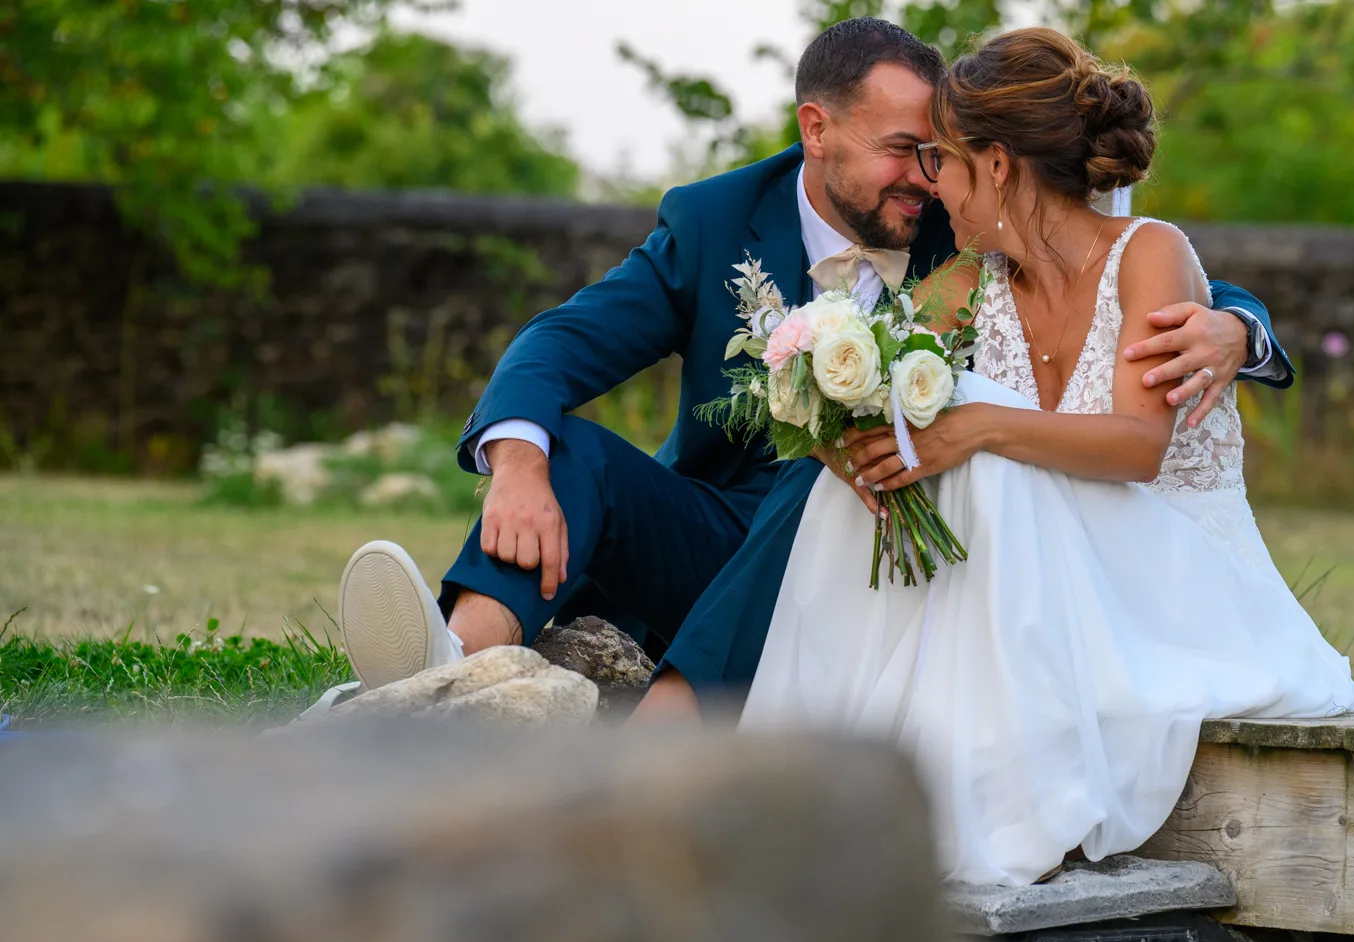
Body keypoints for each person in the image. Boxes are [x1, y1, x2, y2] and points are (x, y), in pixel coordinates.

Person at [330, 18, 1296, 723]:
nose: (925, 177)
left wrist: (1236, 330)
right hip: (715, 551)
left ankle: (666, 739)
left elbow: (1117, 272)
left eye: (939, 154)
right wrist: (517, 461)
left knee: (839, 461)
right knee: (567, 452)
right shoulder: (711, 222)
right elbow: (565, 341)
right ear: (817, 129)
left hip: (885, 562)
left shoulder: (966, 234)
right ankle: (449, 676)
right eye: (903, 151)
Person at [737, 27, 1354, 887]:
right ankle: (811, 781)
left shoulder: (1150, 255)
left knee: (977, 435)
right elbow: (869, 392)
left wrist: (974, 428)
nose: (932, 186)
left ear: (997, 167)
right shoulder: (971, 283)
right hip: (1061, 580)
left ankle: (972, 812)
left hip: (1178, 581)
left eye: (945, 162)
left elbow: (1138, 446)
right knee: (885, 460)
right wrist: (829, 408)